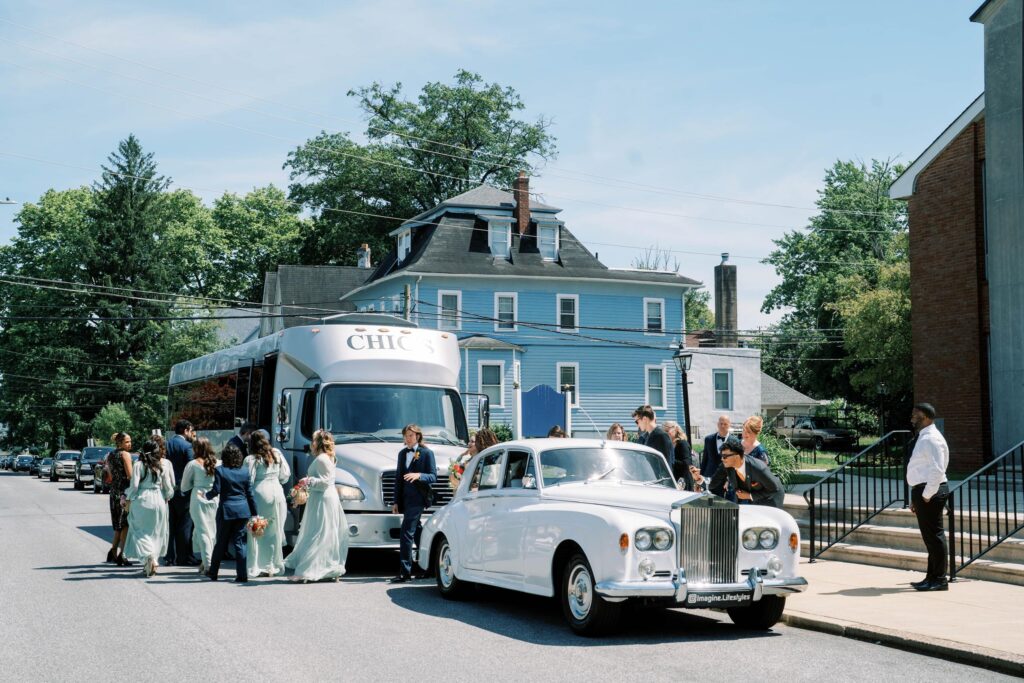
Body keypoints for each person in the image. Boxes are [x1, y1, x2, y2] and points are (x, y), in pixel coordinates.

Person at [285, 430, 349, 582]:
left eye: (313, 440)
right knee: (324, 532)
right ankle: (328, 568)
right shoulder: (329, 457)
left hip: (323, 498)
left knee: (317, 532)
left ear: (318, 443)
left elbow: (325, 482)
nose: (311, 444)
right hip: (322, 497)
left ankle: (306, 571)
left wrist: (308, 481)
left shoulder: (322, 459)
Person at [907, 403, 950, 592]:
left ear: (925, 417)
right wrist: (915, 496)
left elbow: (938, 469)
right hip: (924, 491)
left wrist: (925, 495)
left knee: (935, 537)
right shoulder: (924, 436)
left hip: (930, 492)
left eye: (915, 415)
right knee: (930, 539)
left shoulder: (931, 438)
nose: (911, 418)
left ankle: (940, 580)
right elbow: (920, 469)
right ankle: (931, 577)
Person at [389, 424, 436, 583]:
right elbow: (398, 478)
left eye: (410, 435)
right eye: (405, 436)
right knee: (417, 533)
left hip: (418, 499)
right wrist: (395, 501)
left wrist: (419, 475)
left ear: (417, 436)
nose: (407, 438)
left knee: (406, 532)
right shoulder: (402, 453)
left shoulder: (427, 453)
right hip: (405, 499)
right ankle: (431, 567)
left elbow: (433, 476)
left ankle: (405, 572)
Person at [205, 443, 258, 583]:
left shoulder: (220, 470)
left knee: (221, 542)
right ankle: (242, 575)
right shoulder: (245, 471)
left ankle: (213, 573)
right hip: (243, 511)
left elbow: (216, 490)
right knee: (240, 543)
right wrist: (255, 513)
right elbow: (250, 494)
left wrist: (205, 495)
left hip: (226, 510)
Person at [123, 439, 176, 577]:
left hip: (142, 498)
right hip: (159, 499)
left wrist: (127, 497)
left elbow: (134, 486)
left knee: (138, 529)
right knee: (156, 532)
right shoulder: (161, 465)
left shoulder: (139, 464)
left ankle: (149, 556)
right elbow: (169, 487)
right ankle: (151, 561)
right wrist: (167, 497)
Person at [244, 430, 291, 578]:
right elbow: (285, 475)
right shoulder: (276, 453)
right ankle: (273, 565)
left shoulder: (251, 459)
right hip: (277, 492)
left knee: (258, 529)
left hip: (260, 493)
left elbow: (249, 480)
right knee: (275, 530)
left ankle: (259, 565)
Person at [699, 437, 784, 508]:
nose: (722, 459)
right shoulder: (725, 465)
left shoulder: (758, 468)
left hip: (771, 497)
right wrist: (700, 479)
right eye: (721, 456)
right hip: (753, 498)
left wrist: (749, 496)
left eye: (725, 456)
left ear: (737, 456)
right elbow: (713, 482)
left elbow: (774, 489)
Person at [181, 437, 218, 574]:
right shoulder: (218, 462)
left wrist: (196, 485)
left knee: (202, 530)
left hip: (198, 497)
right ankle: (206, 560)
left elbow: (184, 486)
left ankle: (208, 564)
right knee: (212, 530)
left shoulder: (193, 464)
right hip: (214, 498)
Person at [164, 420, 199, 567]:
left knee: (170, 526)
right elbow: (192, 468)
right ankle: (184, 557)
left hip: (168, 490)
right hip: (184, 491)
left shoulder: (166, 444)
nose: (192, 434)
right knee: (185, 526)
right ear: (186, 430)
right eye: (192, 430)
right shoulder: (188, 446)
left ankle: (169, 556)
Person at [105, 432, 134, 566]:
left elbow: (110, 475)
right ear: (120, 443)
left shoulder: (110, 455)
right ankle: (123, 554)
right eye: (127, 441)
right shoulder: (125, 455)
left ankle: (113, 551)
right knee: (125, 525)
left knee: (118, 524)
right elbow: (130, 475)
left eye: (130, 441)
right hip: (124, 493)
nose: (130, 444)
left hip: (114, 492)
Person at [633, 405, 674, 472]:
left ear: (645, 419)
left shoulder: (662, 436)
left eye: (637, 421)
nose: (637, 425)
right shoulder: (646, 436)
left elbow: (666, 466)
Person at [663, 420, 695, 491]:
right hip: (674, 481)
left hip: (683, 482)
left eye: (667, 430)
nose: (665, 433)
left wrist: (669, 459)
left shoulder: (682, 444)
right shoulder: (669, 444)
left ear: (676, 429)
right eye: (664, 431)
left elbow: (686, 464)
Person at [701, 415, 731, 481]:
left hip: (726, 480)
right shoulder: (708, 439)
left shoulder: (734, 441)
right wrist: (700, 478)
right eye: (721, 424)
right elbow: (704, 460)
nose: (723, 426)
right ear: (717, 424)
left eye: (725, 424)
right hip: (709, 478)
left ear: (729, 425)